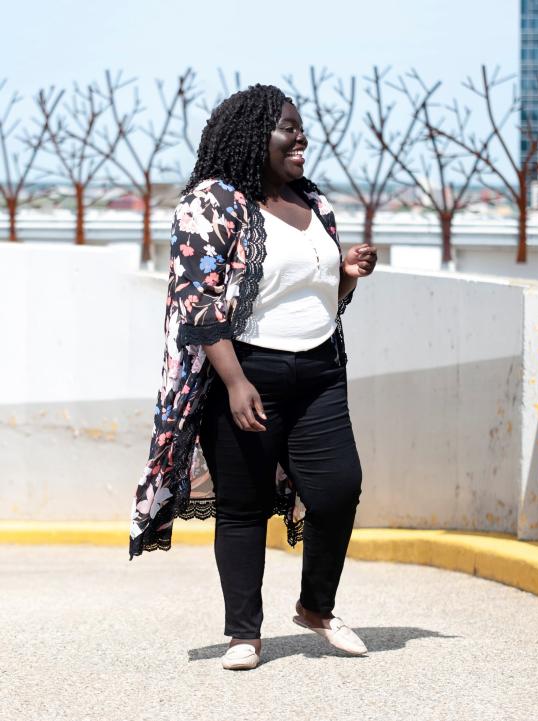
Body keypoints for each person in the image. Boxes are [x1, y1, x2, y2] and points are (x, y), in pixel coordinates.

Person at [128, 84, 378, 671]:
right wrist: (237, 382)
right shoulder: (211, 202)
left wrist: (346, 274)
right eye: (288, 129)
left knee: (339, 489)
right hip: (243, 370)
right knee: (243, 505)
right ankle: (244, 633)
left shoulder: (314, 201)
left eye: (302, 129)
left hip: (319, 371)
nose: (301, 139)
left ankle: (316, 608)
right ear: (252, 134)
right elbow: (197, 300)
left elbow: (319, 299)